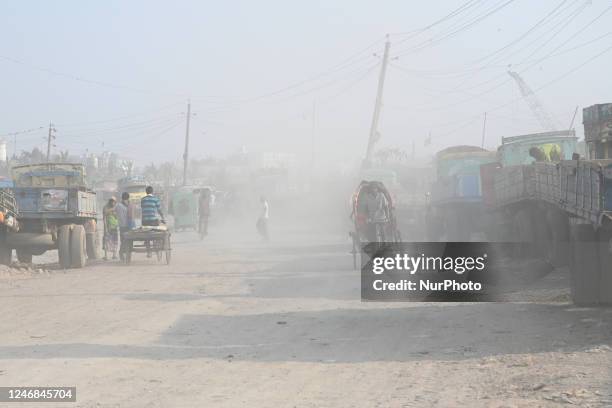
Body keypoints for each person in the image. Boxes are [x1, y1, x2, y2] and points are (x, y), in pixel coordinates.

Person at [141, 186, 165, 257]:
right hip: (153, 221)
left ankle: (149, 252)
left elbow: (143, 208)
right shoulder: (155, 199)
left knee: (147, 236)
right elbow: (159, 210)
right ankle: (157, 246)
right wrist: (162, 217)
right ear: (152, 192)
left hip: (145, 221)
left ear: (146, 192)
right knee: (157, 233)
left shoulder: (143, 199)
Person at [116, 192, 134, 260]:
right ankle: (122, 253)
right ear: (127, 198)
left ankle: (123, 253)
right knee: (125, 240)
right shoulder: (125, 206)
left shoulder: (118, 205)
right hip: (126, 226)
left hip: (123, 226)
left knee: (124, 240)